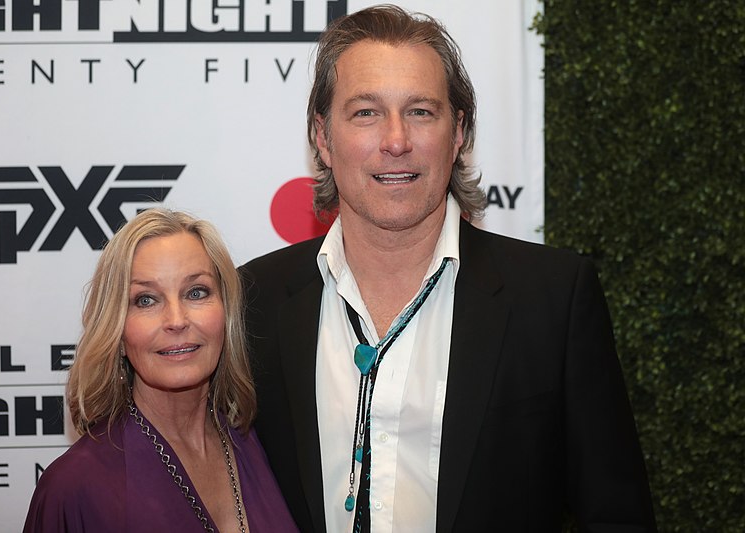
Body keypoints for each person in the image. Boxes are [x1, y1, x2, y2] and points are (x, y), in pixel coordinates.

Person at [240, 4, 656, 532]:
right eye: (366, 112)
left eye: (420, 111)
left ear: (458, 133)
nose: (396, 141)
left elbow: (616, 515)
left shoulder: (553, 299)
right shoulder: (255, 298)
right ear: (323, 137)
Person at [24, 208, 298, 532]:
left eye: (196, 292)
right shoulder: (73, 489)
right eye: (146, 300)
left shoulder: (262, 445)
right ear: (117, 331)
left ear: (226, 314)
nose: (177, 320)